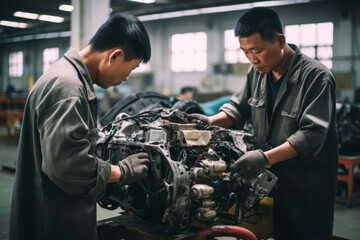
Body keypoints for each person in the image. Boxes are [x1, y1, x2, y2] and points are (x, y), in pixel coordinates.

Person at [188, 7, 338, 240]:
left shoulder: (316, 77)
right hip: (269, 182)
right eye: (245, 52)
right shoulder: (257, 72)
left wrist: (265, 158)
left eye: (256, 51)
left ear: (280, 41)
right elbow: (238, 107)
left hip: (306, 186)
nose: (251, 59)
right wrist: (209, 121)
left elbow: (312, 134)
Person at [10, 13, 151, 240]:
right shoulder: (68, 89)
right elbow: (69, 168)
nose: (126, 78)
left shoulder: (65, 76)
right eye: (131, 68)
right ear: (114, 56)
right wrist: (121, 171)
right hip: (54, 226)